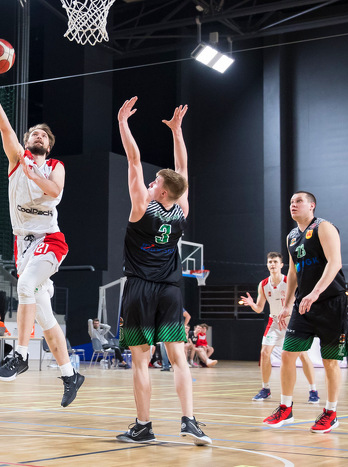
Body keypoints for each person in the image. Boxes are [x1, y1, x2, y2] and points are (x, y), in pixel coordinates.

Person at [0, 68, 84, 407]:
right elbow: (4, 127)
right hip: (23, 244)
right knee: (44, 315)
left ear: (48, 145)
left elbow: (54, 191)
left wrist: (33, 175)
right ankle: (70, 375)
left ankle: (21, 355)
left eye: (43, 135)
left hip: (50, 239)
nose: (38, 136)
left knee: (25, 287)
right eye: (34, 134)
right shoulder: (17, 159)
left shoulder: (55, 166)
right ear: (27, 142)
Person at [115, 97, 210, 445]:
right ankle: (189, 421)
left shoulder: (141, 206)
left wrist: (123, 123)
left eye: (155, 182)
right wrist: (177, 132)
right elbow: (182, 168)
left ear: (162, 191)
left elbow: (133, 159)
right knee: (178, 358)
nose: (150, 183)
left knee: (141, 362)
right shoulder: (181, 210)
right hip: (170, 289)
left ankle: (143, 426)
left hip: (140, 288)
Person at [263, 191, 348, 434]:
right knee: (288, 355)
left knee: (330, 361)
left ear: (312, 205)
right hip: (303, 305)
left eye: (299, 201)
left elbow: (335, 262)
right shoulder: (291, 236)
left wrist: (315, 293)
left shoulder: (324, 227)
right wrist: (287, 304)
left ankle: (331, 413)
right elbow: (293, 272)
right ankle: (285, 408)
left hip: (330, 302)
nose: (293, 205)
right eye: (291, 202)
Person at [241, 252, 319, 403]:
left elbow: (299, 301)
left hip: (292, 321)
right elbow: (259, 308)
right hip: (275, 322)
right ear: (267, 265)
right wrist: (252, 304)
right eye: (270, 262)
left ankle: (313, 390)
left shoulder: (289, 281)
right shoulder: (263, 284)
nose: (272, 264)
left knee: (303, 355)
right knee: (264, 353)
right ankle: (265, 389)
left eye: (275, 262)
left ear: (281, 265)